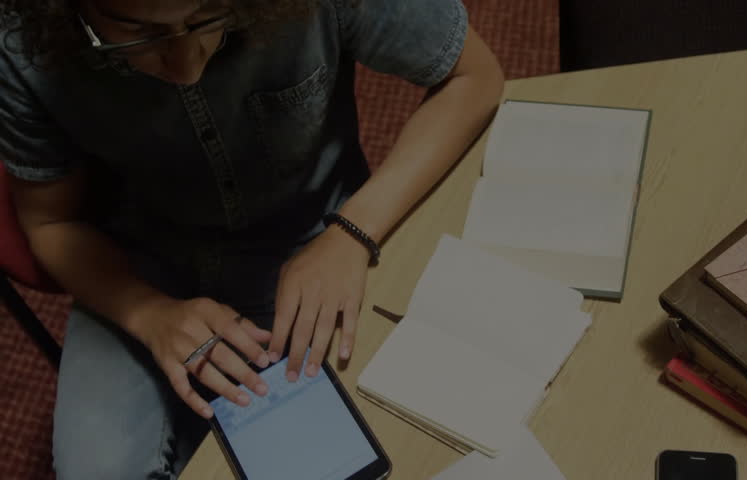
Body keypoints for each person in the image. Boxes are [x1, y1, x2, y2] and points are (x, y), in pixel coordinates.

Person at [0, 0, 504, 477]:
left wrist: (352, 231)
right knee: (97, 471)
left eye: (207, 16)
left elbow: (473, 77)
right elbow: (49, 225)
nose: (185, 66)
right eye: (138, 34)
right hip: (140, 260)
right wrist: (144, 311)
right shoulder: (23, 40)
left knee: (417, 424)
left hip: (318, 231)